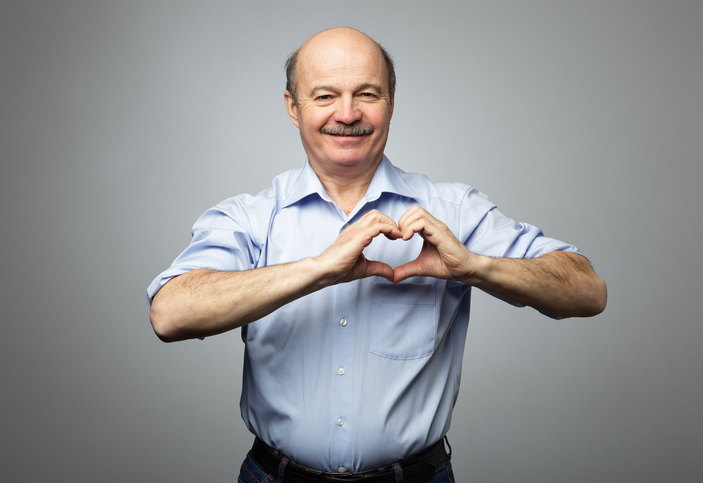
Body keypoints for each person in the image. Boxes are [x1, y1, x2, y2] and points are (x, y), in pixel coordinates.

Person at [146, 27, 607, 483]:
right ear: (293, 106)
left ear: (390, 102)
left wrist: (475, 266)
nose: (347, 114)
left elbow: (588, 291)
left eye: (367, 93)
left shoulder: (453, 211)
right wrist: (317, 270)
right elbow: (170, 314)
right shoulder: (249, 218)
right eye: (325, 96)